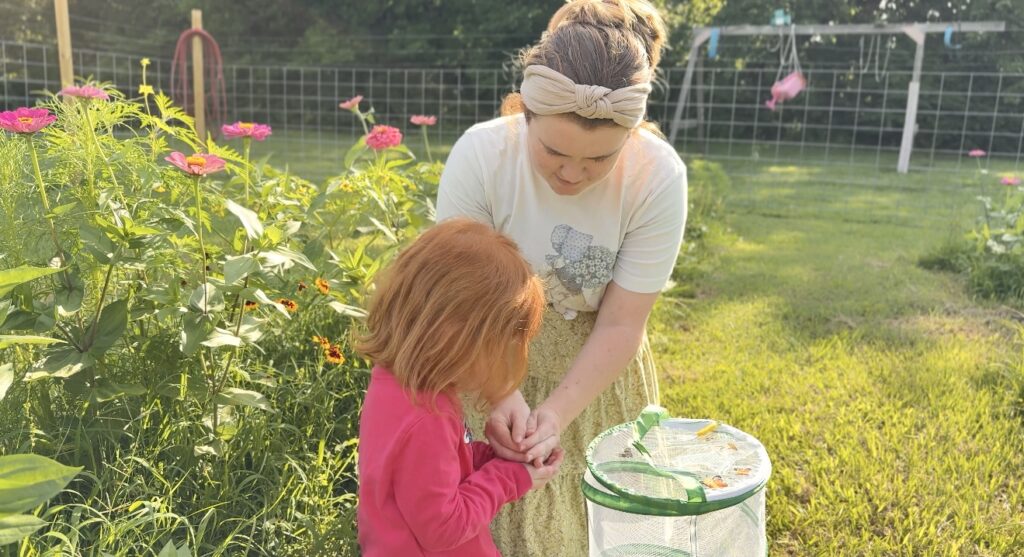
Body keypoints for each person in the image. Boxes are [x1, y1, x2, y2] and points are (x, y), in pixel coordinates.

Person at [434, 1, 687, 554]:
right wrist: (502, 393)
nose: (572, 173)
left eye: (600, 159)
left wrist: (555, 415)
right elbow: (456, 301)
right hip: (486, 351)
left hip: (597, 373)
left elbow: (622, 324)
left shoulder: (658, 177)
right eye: (553, 151)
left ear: (631, 132)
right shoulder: (481, 156)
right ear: (524, 111)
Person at [356, 218, 564, 556]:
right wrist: (508, 476)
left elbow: (428, 472)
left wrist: (493, 456)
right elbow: (444, 528)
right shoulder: (427, 416)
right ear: (456, 336)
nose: (502, 360)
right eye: (500, 346)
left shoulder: (397, 383)